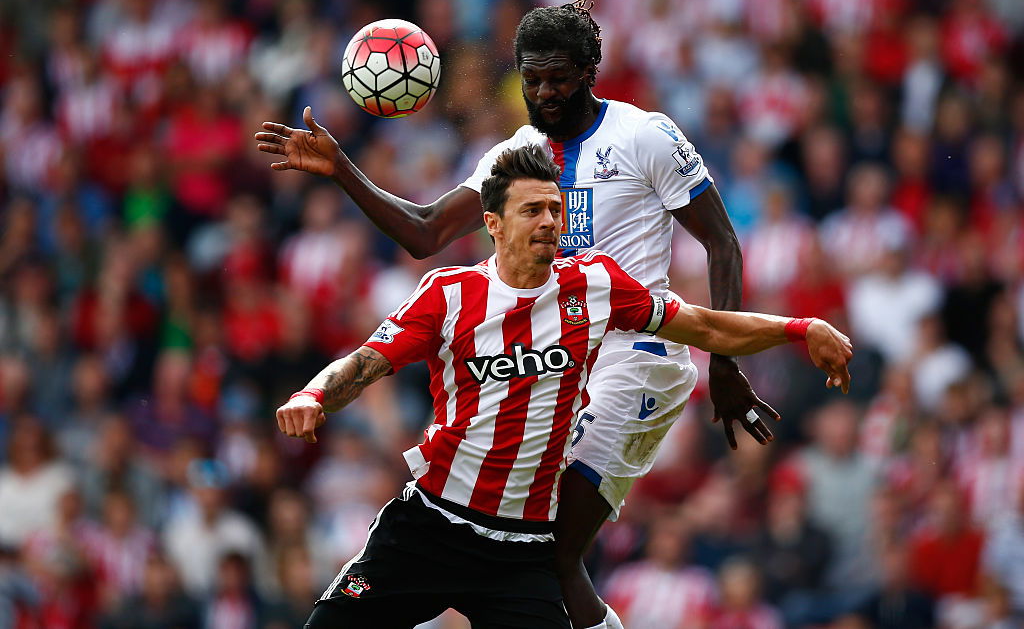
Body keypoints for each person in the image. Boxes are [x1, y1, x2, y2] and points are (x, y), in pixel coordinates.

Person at [257, 0, 776, 629]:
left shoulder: (645, 135)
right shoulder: (520, 156)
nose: (543, 91)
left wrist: (723, 364)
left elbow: (722, 241)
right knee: (533, 542)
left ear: (590, 69)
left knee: (548, 546)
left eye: (558, 77)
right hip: (559, 363)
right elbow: (426, 232)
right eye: (531, 78)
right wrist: (341, 169)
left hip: (637, 358)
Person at [275, 145, 854, 628]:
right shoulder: (446, 295)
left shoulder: (594, 284)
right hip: (430, 528)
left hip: (521, 550)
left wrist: (799, 328)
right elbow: (364, 363)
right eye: (533, 211)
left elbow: (702, 324)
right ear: (494, 224)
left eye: (556, 208)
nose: (551, 221)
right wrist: (312, 395)